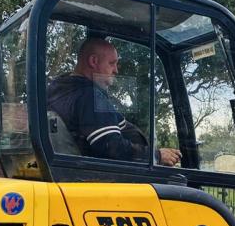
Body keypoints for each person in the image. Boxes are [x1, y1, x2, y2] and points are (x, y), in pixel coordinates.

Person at [47, 38, 181, 166]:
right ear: (93, 61)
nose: (116, 70)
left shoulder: (59, 88)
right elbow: (112, 148)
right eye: (112, 63)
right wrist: (156, 156)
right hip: (114, 176)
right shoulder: (89, 95)